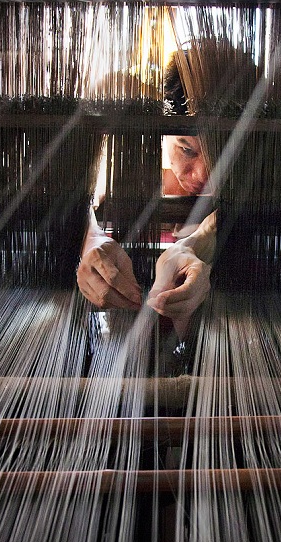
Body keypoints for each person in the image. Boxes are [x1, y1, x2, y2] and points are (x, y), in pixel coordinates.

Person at [76, 40, 255, 337]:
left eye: (223, 155)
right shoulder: (128, 172)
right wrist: (91, 241)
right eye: (187, 149)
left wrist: (195, 241)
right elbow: (87, 203)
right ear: (164, 129)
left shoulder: (257, 183)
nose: (203, 174)